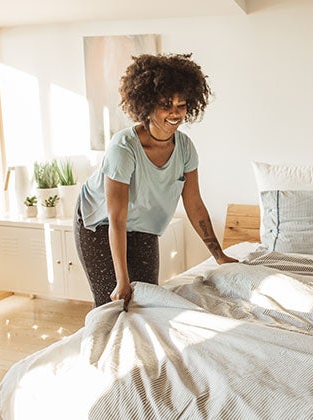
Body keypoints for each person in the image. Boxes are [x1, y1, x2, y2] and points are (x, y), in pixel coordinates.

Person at [74, 53, 237, 310]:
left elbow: (194, 204)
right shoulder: (124, 148)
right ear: (147, 105)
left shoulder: (185, 148)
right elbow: (116, 219)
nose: (175, 113)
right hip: (100, 224)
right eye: (165, 104)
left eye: (181, 105)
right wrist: (122, 280)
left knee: (147, 303)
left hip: (143, 226)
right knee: (115, 304)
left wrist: (219, 256)